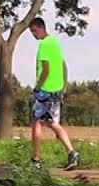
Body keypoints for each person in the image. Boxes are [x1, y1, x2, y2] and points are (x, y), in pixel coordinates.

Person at [28, 17, 79, 170]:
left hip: (45, 90)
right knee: (52, 123)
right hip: (57, 90)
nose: (34, 35)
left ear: (41, 27)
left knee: (36, 122)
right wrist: (64, 85)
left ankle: (36, 160)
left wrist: (37, 88)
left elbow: (46, 69)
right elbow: (64, 66)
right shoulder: (55, 43)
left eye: (34, 31)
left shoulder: (44, 44)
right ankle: (72, 153)